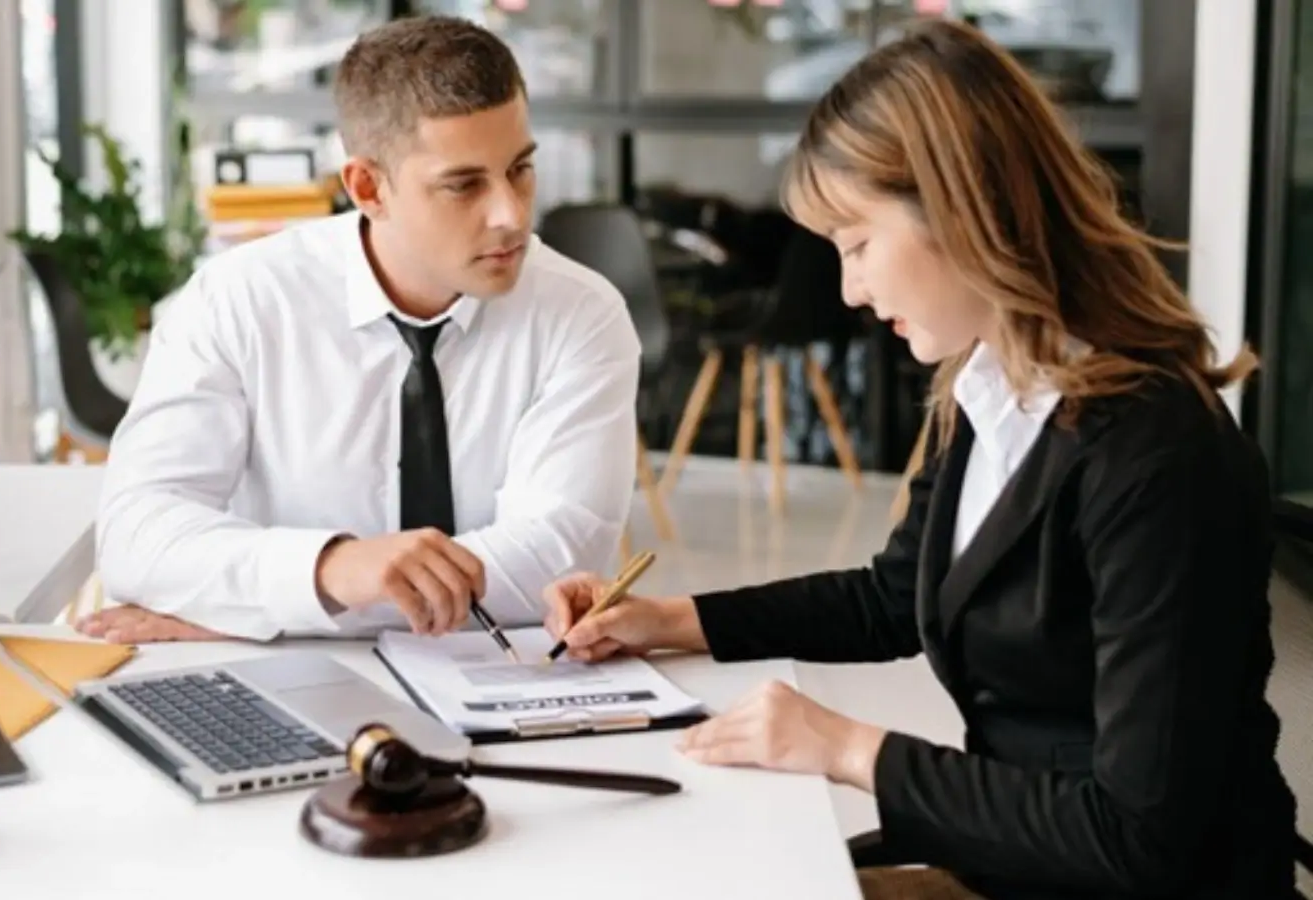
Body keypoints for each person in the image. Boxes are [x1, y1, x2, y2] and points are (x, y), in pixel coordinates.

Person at [542, 20, 1297, 900]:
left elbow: (1136, 838)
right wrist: (668, 620)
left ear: (962, 205)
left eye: (857, 245)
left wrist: (848, 748)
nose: (850, 291)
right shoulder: (990, 391)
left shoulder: (1159, 457)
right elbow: (894, 597)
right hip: (1018, 865)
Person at [79, 15, 641, 646]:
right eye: (463, 185)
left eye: (520, 170)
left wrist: (250, 607)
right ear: (368, 187)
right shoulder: (237, 300)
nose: (510, 215)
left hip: (505, 682)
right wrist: (333, 566)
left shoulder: (583, 315)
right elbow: (135, 538)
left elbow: (557, 562)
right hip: (284, 689)